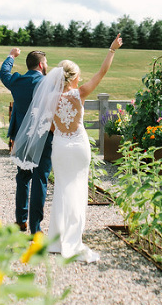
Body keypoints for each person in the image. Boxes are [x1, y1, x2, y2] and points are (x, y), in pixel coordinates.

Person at [13, 34, 123, 262]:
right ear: (73, 78)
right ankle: (74, 239)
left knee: (62, 190)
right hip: (79, 146)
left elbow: (49, 127)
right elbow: (102, 73)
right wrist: (111, 50)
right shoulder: (79, 94)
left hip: (61, 147)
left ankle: (56, 240)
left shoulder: (49, 98)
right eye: (79, 75)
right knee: (79, 189)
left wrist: (62, 133)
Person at [0, 48, 51, 234]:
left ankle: (21, 221)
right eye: (46, 63)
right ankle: (36, 229)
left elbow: (3, 73)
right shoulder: (47, 83)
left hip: (21, 136)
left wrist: (11, 56)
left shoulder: (17, 81)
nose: (47, 66)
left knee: (23, 177)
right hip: (43, 137)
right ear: (41, 64)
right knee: (40, 180)